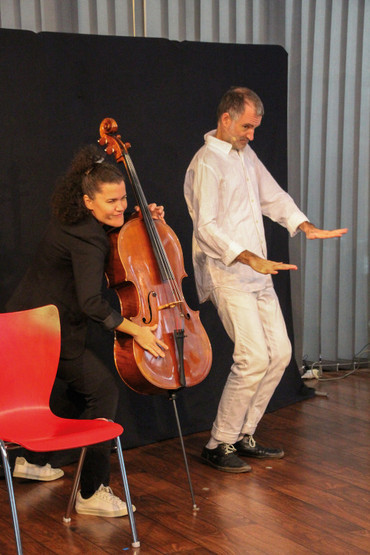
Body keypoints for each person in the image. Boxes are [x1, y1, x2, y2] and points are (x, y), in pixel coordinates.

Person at [184, 86, 347, 473]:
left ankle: (244, 434)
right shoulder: (208, 162)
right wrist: (250, 258)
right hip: (229, 273)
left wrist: (304, 226)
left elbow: (272, 196)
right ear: (225, 119)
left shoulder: (244, 154)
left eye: (255, 127)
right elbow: (205, 227)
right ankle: (218, 442)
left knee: (280, 355)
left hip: (258, 271)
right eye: (246, 126)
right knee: (253, 356)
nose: (251, 134)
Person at [7, 144, 168, 515]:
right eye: (111, 201)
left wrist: (142, 220)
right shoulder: (87, 237)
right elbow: (92, 304)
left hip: (26, 324)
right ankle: (92, 493)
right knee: (102, 393)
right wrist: (136, 331)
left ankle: (29, 461)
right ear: (88, 201)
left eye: (123, 198)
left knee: (72, 394)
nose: (119, 207)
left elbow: (112, 234)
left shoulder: (77, 219)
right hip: (43, 334)